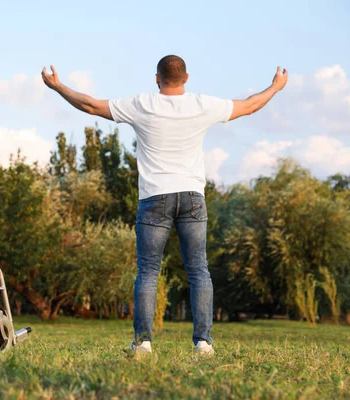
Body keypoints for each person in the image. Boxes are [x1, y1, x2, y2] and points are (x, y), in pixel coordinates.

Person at [41, 55, 288, 355]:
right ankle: (203, 344)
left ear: (157, 78)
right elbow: (249, 105)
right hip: (192, 198)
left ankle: (143, 343)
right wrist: (275, 87)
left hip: (155, 198)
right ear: (186, 78)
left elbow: (91, 105)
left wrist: (58, 87)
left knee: (147, 271)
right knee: (199, 271)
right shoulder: (202, 105)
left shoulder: (143, 104)